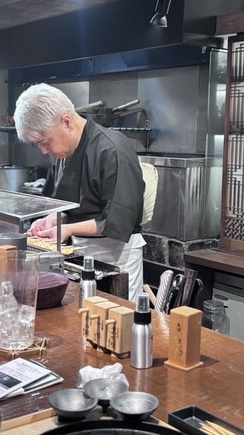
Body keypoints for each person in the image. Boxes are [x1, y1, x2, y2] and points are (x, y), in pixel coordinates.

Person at [13, 84, 145, 301]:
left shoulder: (113, 150)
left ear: (66, 122)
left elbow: (117, 221)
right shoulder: (62, 154)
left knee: (116, 317)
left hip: (115, 256)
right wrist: (52, 219)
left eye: (45, 142)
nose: (44, 151)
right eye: (38, 145)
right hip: (77, 253)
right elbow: (67, 205)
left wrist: (65, 229)